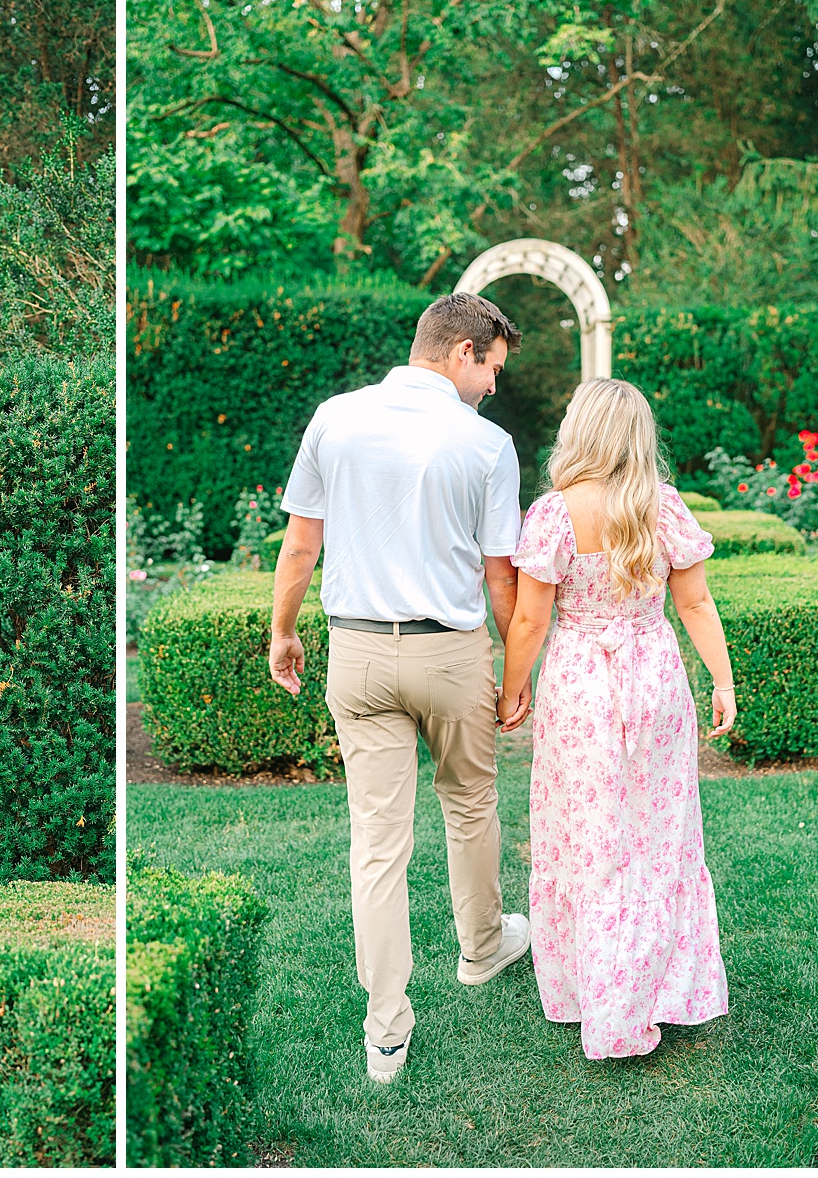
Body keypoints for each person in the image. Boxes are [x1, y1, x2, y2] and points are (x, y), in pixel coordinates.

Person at [269, 292, 534, 1086]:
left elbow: (300, 543)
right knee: (470, 803)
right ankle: (482, 948)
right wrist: (515, 679)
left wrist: (283, 631)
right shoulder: (488, 444)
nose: (493, 385)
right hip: (451, 655)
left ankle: (386, 1029)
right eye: (492, 368)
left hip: (354, 650)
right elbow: (501, 578)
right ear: (463, 353)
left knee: (378, 843)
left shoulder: (334, 418)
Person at [499, 377, 733, 1059]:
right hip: (655, 678)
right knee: (661, 834)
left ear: (584, 431)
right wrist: (720, 678)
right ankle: (663, 988)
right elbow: (695, 604)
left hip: (580, 687)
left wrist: (512, 690)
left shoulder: (553, 513)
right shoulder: (662, 507)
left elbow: (532, 618)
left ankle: (596, 990)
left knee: (590, 837)